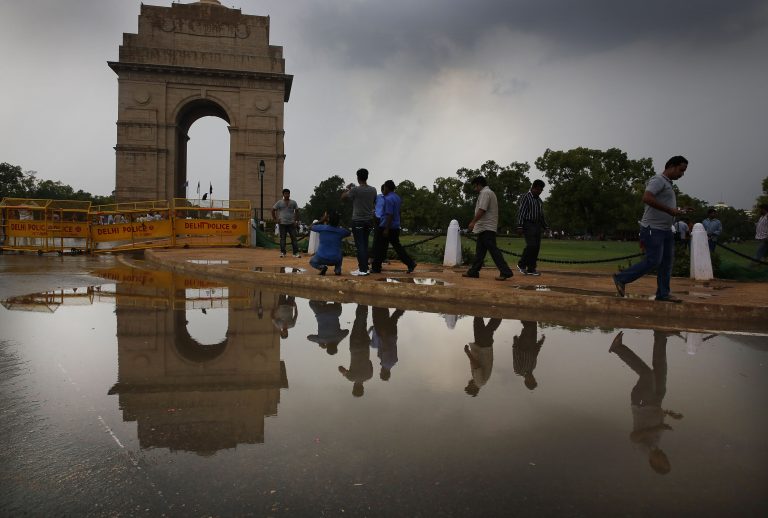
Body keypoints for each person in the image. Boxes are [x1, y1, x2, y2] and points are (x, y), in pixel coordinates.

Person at [612, 156, 689, 303]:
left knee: (667, 263)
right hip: (653, 229)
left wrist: (679, 210)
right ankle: (621, 278)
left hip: (666, 230)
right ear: (671, 166)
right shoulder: (658, 180)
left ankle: (663, 294)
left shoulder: (668, 184)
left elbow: (666, 207)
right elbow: (646, 198)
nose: (682, 174)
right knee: (653, 260)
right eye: (681, 170)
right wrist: (669, 210)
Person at [609, 330, 683, 475]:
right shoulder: (655, 445)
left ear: (654, 463)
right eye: (667, 460)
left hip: (641, 402)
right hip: (655, 401)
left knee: (647, 374)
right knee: (661, 370)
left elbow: (634, 437)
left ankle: (618, 348)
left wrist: (658, 428)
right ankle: (661, 336)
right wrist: (669, 414)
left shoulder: (644, 451)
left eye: (664, 462)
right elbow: (653, 421)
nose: (665, 457)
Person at [463, 176, 514, 281]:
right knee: (480, 252)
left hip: (486, 227)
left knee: (493, 250)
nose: (474, 189)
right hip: (485, 227)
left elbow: (482, 209)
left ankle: (506, 271)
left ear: (478, 184)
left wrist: (473, 222)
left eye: (474, 186)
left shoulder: (485, 193)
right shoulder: (489, 192)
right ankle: (473, 271)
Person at [370, 180, 416, 274]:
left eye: (384, 188)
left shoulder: (388, 199)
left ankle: (376, 267)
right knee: (397, 247)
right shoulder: (397, 198)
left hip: (386, 226)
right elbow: (397, 213)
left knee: (380, 247)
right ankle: (410, 263)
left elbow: (389, 214)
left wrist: (386, 229)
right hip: (395, 226)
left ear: (387, 188)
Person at [341, 168, 377, 276]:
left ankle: (363, 269)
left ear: (357, 177)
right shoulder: (373, 190)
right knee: (365, 244)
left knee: (360, 246)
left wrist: (348, 189)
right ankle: (364, 268)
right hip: (368, 221)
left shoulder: (355, 190)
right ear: (367, 176)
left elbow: (342, 197)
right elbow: (374, 201)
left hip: (357, 221)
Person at [516, 179, 549, 276]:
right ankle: (521, 264)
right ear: (533, 188)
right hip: (528, 223)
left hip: (537, 224)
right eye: (538, 189)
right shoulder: (525, 197)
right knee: (531, 245)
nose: (539, 192)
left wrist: (546, 227)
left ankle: (531, 268)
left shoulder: (539, 200)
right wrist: (519, 226)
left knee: (536, 247)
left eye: (541, 190)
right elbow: (521, 212)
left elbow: (541, 215)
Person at [339, 305, 373, 397]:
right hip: (354, 346)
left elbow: (370, 362)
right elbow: (340, 368)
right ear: (354, 387)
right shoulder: (351, 377)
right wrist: (344, 373)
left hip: (365, 347)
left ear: (363, 388)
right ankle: (362, 303)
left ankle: (364, 306)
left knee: (363, 324)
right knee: (358, 322)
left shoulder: (369, 376)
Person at [463, 317, 502, 396]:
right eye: (468, 386)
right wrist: (468, 353)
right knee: (489, 328)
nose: (468, 384)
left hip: (480, 347)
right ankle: (501, 312)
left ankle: (499, 313)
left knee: (478, 321)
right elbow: (477, 366)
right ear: (473, 388)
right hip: (484, 348)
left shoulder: (479, 381)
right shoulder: (479, 382)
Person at [308, 211, 351, 276]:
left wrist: (321, 220)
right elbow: (349, 232)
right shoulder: (341, 231)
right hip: (335, 259)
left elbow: (310, 227)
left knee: (312, 261)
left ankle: (322, 267)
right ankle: (337, 269)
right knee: (340, 253)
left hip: (321, 257)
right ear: (338, 221)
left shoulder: (322, 228)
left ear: (328, 220)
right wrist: (341, 221)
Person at [371, 307, 404, 381]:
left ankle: (404, 306)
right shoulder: (386, 362)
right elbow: (386, 348)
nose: (380, 371)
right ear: (383, 372)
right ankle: (377, 303)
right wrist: (383, 336)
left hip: (393, 335)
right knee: (378, 316)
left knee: (395, 316)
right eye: (380, 373)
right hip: (386, 334)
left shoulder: (393, 361)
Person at [512, 321, 545, 390]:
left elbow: (515, 355)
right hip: (533, 341)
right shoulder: (533, 367)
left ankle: (521, 313)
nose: (533, 378)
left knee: (528, 326)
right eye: (534, 379)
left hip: (524, 344)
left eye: (531, 380)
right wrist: (541, 341)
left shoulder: (518, 370)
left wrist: (515, 342)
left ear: (526, 381)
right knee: (533, 323)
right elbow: (535, 352)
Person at [271, 188, 301, 258]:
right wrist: (275, 219)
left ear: (289, 194)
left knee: (294, 238)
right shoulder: (279, 202)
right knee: (283, 239)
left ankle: (295, 253)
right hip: (282, 223)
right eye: (285, 193)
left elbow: (297, 211)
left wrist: (295, 221)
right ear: (283, 194)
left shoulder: (293, 202)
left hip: (291, 223)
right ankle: (282, 252)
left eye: (288, 193)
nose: (287, 195)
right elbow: (273, 210)